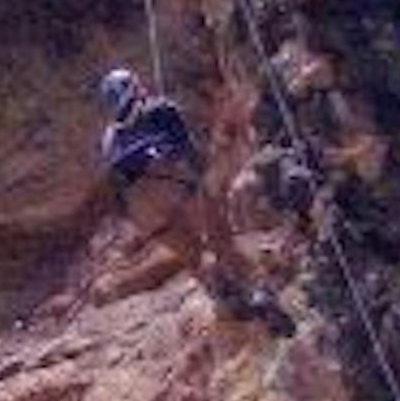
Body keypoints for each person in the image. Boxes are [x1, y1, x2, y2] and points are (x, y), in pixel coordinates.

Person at [97, 67, 295, 335]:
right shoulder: (159, 109)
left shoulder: (109, 138)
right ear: (136, 86)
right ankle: (259, 291)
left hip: (142, 210)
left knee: (192, 256)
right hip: (171, 182)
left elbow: (115, 185)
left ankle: (226, 299)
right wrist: (202, 179)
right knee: (221, 241)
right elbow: (187, 149)